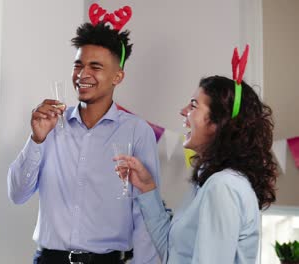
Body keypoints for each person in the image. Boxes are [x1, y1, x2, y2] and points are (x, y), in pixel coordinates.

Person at [7, 21, 160, 264]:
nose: (83, 74)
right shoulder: (52, 125)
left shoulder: (137, 132)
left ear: (117, 76)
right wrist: (36, 139)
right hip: (49, 259)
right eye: (78, 65)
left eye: (95, 67)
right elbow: (16, 193)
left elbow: (146, 213)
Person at [117, 74, 278, 263]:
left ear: (219, 122)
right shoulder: (208, 182)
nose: (183, 111)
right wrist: (147, 188)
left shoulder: (223, 186)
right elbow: (173, 254)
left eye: (193, 105)